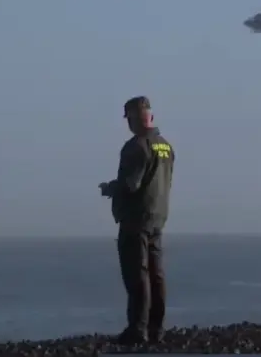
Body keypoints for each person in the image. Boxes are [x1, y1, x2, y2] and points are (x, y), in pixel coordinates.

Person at [99, 96, 176, 344]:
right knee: (156, 274)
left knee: (137, 274)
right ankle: (157, 329)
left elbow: (131, 185)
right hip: (157, 216)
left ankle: (138, 329)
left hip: (135, 219)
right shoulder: (165, 146)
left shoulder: (136, 147)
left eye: (129, 118)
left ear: (133, 118)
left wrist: (111, 188)